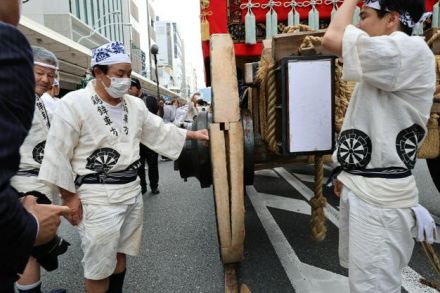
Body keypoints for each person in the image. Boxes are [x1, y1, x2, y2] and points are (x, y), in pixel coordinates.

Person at [39, 41, 209, 293]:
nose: (126, 81)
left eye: (128, 74)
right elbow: (57, 152)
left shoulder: (135, 105)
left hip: (131, 191)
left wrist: (194, 135)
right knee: (98, 265)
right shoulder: (74, 103)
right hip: (97, 196)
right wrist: (69, 196)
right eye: (119, 74)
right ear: (98, 72)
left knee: (120, 254)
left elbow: (158, 129)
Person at [322, 0, 436, 291]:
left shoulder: (405, 50)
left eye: (365, 16)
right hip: (371, 193)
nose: (359, 24)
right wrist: (347, 172)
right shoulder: (391, 59)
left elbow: (332, 37)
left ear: (392, 19)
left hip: (380, 203)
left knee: (373, 286)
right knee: (368, 283)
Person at [0, 1, 70, 292]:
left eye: (50, 75)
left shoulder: (46, 103)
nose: (45, 79)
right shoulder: (10, 94)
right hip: (18, 183)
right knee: (27, 246)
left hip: (41, 178)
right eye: (39, 72)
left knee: (31, 248)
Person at [128, 77, 160, 194]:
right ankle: (142, 186)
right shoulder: (126, 102)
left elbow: (153, 117)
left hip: (150, 138)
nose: (129, 90)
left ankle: (154, 185)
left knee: (153, 164)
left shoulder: (149, 99)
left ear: (139, 88)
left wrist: (159, 106)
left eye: (131, 87)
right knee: (139, 165)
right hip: (136, 140)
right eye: (127, 88)